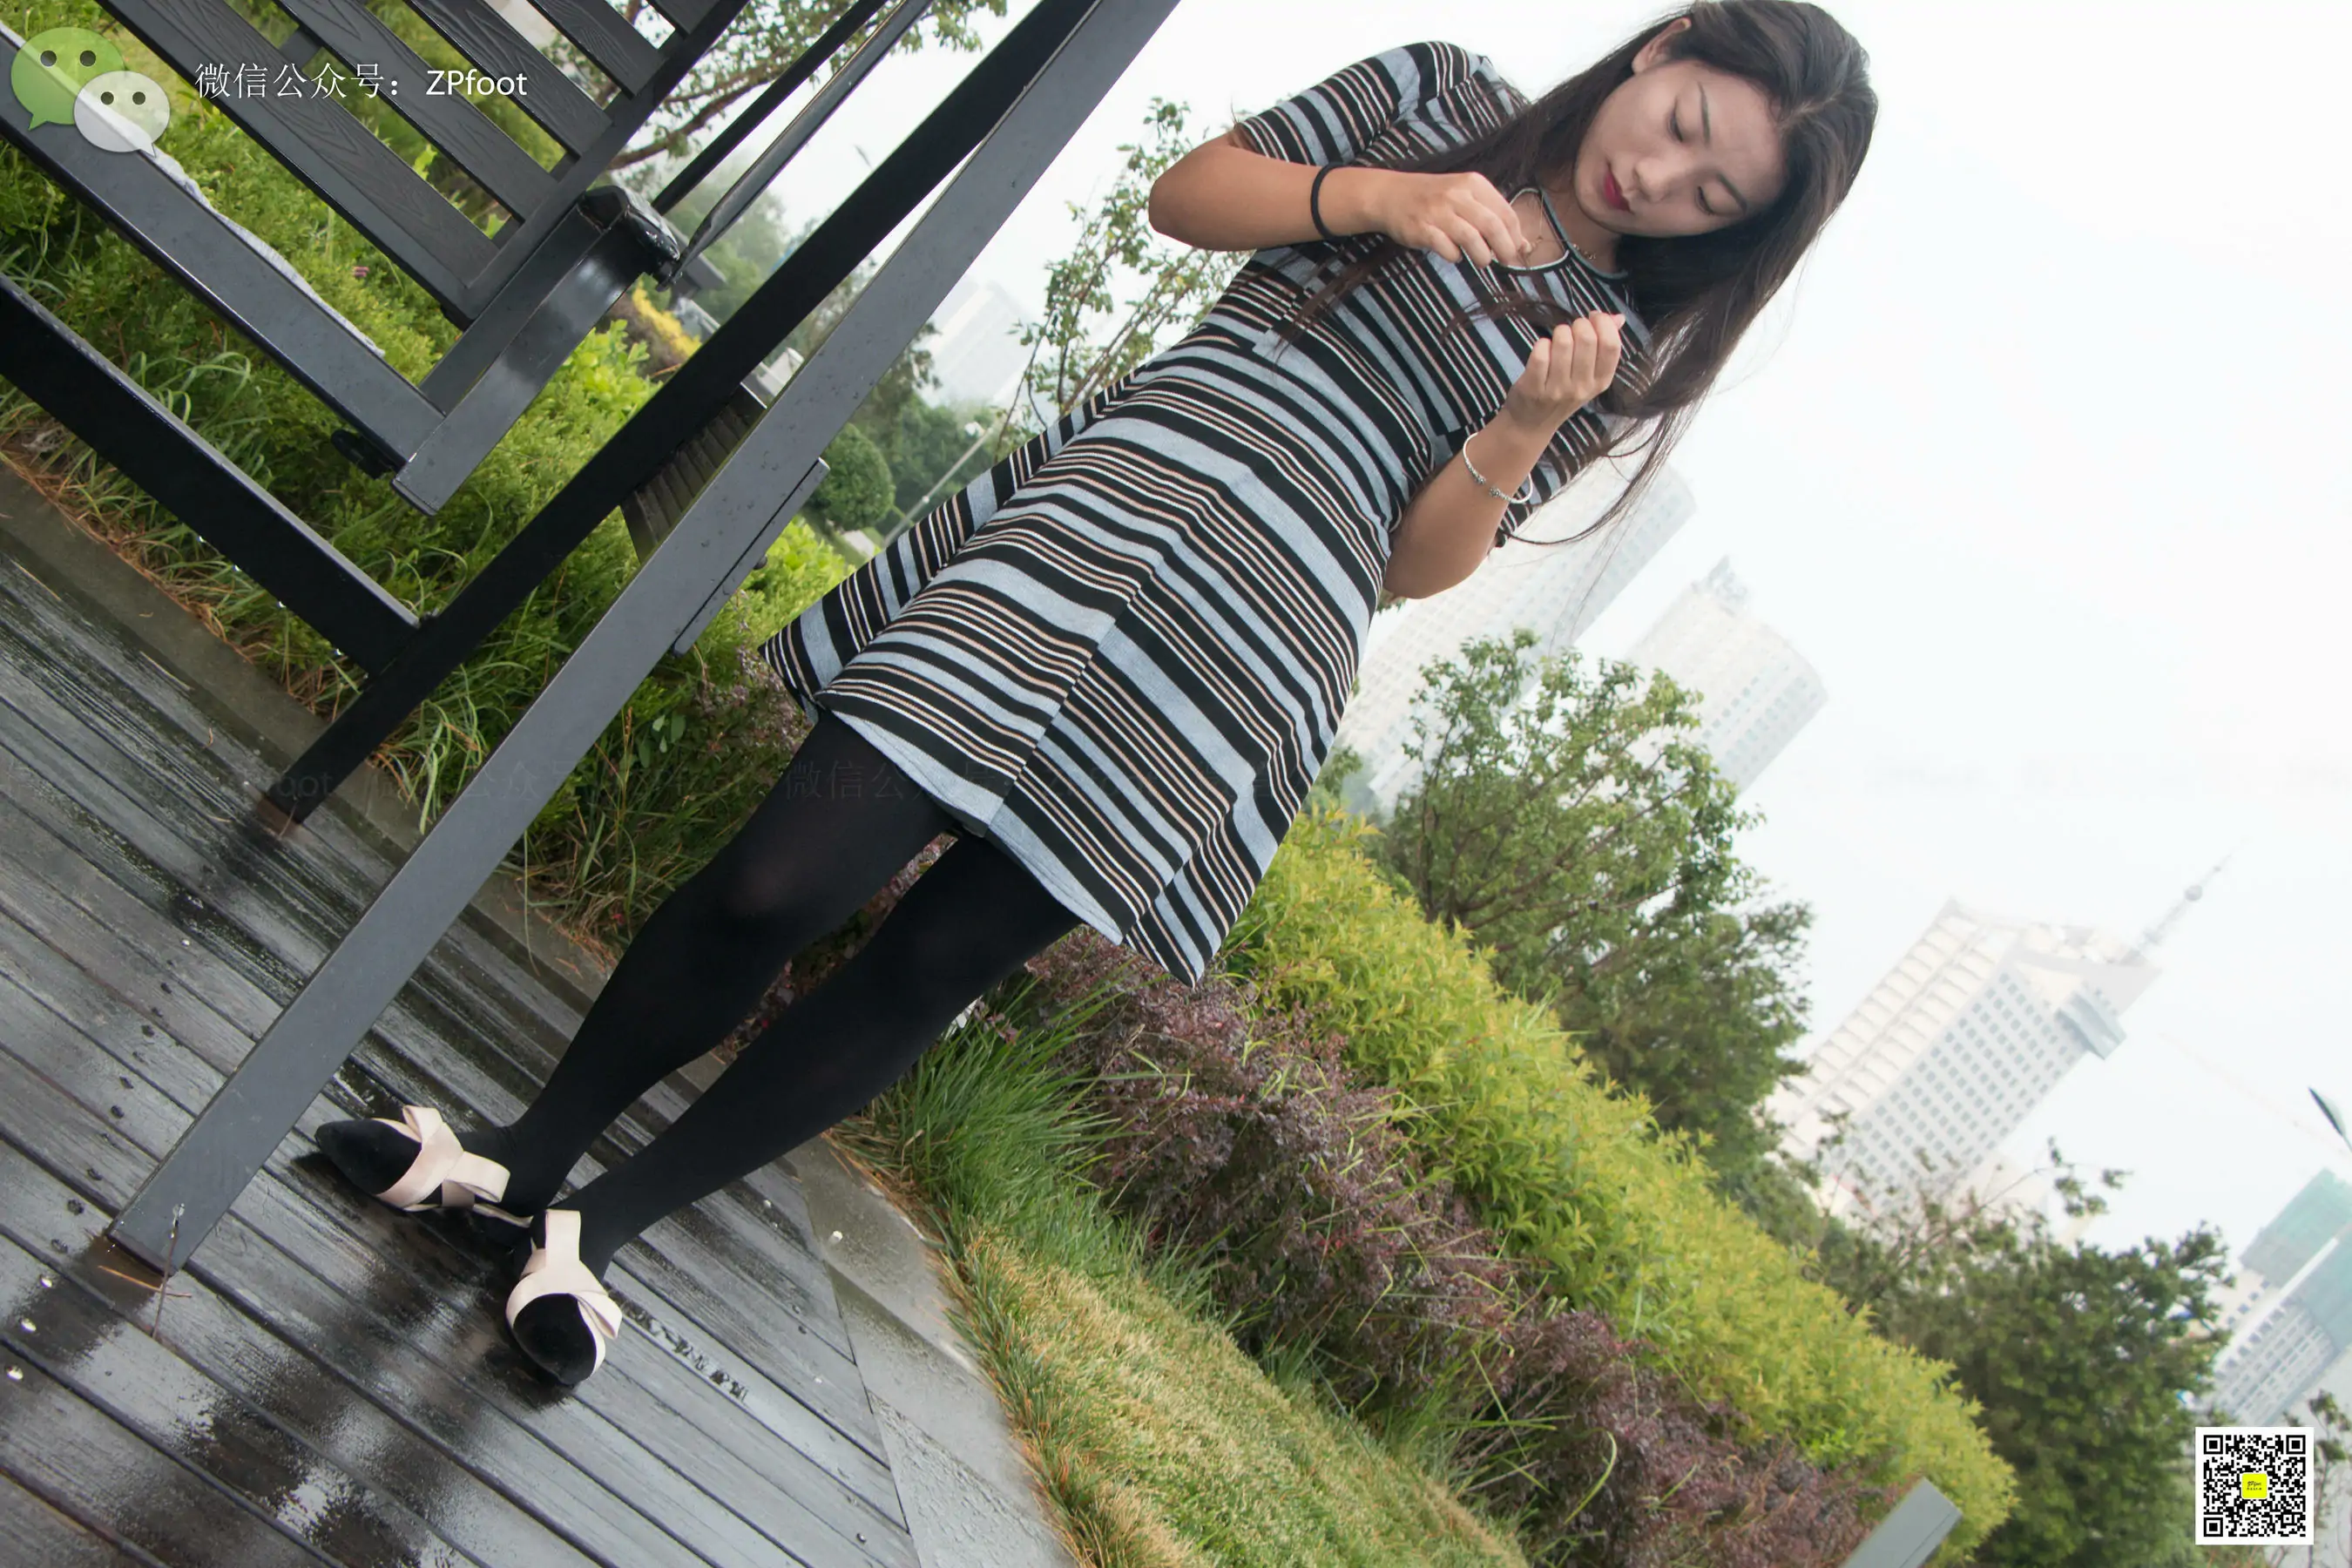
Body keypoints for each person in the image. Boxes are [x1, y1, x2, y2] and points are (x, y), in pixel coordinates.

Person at [316, 0, 1876, 1388]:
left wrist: (1527, 425)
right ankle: (526, 1157)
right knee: (782, 877)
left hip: (1246, 660)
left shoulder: (1613, 352)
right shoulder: (1439, 93)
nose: (1661, 181)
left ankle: (599, 1230)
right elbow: (1189, 194)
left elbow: (1420, 567)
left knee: (929, 967)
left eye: (1712, 197)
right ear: (1662, 48)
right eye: (1684, 126)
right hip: (1107, 513)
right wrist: (1383, 197)